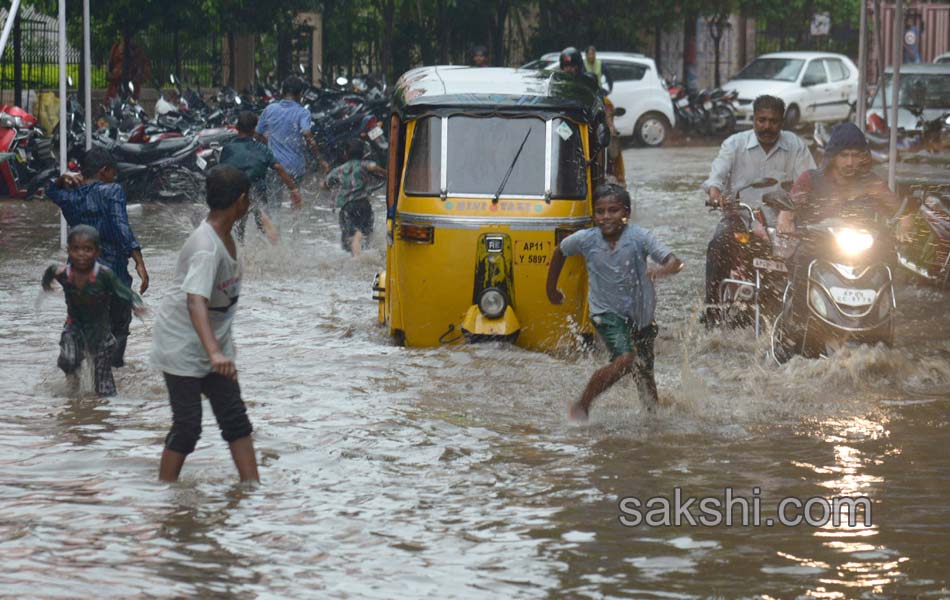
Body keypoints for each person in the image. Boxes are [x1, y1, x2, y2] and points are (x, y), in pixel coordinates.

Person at [150, 165, 259, 483]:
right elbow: (195, 299)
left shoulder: (222, 236)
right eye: (248, 199)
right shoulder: (206, 247)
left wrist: (219, 351)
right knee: (187, 426)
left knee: (236, 420)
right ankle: (166, 494)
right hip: (183, 346)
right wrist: (215, 354)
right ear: (241, 201)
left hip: (214, 345)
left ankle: (251, 488)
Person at [546, 184, 684, 421]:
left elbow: (675, 261)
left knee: (644, 372)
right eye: (600, 211)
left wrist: (660, 271)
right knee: (625, 359)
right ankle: (583, 404)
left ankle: (652, 419)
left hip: (641, 314)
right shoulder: (586, 239)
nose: (606, 217)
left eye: (613, 210)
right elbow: (560, 251)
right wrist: (551, 290)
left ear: (626, 213)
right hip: (605, 312)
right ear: (594, 215)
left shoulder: (639, 237)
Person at [774, 122, 909, 355]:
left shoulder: (872, 183)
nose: (850, 163)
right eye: (844, 155)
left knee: (888, 257)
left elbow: (900, 212)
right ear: (833, 156)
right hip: (818, 246)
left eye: (856, 156)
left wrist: (903, 225)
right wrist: (785, 222)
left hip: (862, 250)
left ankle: (881, 323)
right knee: (801, 258)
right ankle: (796, 327)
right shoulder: (811, 179)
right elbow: (788, 210)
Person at [700, 94, 815, 325]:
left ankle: (806, 313)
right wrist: (716, 195)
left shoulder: (795, 146)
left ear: (781, 123)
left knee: (812, 251)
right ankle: (712, 310)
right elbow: (717, 176)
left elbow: (809, 181)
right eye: (761, 120)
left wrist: (790, 213)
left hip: (784, 221)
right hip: (741, 217)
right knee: (717, 245)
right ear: (753, 120)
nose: (767, 126)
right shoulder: (734, 144)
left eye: (773, 121)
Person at [47, 148, 149, 367]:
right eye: (113, 172)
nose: (115, 177)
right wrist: (138, 259)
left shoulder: (70, 195)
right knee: (119, 325)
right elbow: (121, 225)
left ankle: (78, 361)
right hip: (112, 271)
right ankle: (111, 369)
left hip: (79, 273)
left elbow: (51, 192)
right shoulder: (112, 190)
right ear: (105, 171)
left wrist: (59, 180)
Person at [42, 225, 144, 397]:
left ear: (97, 253)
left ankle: (105, 415)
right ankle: (73, 388)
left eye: (87, 249)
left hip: (101, 334)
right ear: (69, 251)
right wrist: (47, 285)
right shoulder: (63, 273)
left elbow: (124, 291)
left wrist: (137, 304)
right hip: (74, 327)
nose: (81, 254)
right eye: (76, 249)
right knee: (68, 361)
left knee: (103, 387)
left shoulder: (104, 275)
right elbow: (49, 272)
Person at [221, 111, 304, 244]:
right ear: (254, 129)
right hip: (257, 193)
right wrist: (293, 189)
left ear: (236, 128)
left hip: (236, 194)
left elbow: (223, 172)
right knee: (264, 227)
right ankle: (269, 256)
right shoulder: (261, 149)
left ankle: (239, 254)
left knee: (238, 229)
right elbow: (278, 168)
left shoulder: (228, 149)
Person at [324, 138, 388, 255]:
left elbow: (325, 183)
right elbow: (373, 167)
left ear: (346, 154)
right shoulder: (364, 164)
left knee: (351, 236)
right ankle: (364, 253)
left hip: (347, 206)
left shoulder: (339, 169)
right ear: (363, 153)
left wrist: (335, 187)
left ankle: (356, 257)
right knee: (366, 234)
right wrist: (386, 174)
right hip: (364, 205)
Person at [255, 76, 323, 183]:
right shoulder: (302, 113)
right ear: (300, 94)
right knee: (295, 197)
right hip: (295, 167)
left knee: (275, 198)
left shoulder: (270, 109)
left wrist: (268, 146)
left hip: (274, 166)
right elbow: (307, 135)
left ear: (282, 92)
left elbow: (257, 135)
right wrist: (320, 159)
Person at [106, 28, 151, 100]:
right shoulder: (115, 47)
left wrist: (136, 77)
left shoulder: (136, 50)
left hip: (131, 83)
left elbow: (142, 66)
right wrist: (111, 72)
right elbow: (110, 62)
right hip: (115, 82)